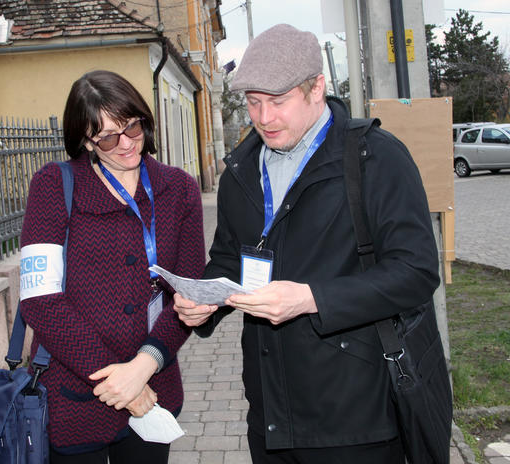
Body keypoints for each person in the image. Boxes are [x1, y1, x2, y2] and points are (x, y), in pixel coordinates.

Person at [173, 24, 440, 463]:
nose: (263, 118)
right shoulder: (241, 170)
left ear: (316, 87)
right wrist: (204, 302)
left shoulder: (375, 158)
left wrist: (311, 298)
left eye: (278, 101)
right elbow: (228, 259)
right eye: (253, 102)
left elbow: (416, 272)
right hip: (270, 416)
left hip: (355, 420)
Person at [19, 70, 205, 464]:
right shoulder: (53, 186)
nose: (125, 143)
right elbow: (40, 302)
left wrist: (144, 365)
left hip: (154, 390)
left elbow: (188, 294)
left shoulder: (180, 190)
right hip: (75, 398)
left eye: (132, 127)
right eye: (107, 137)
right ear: (85, 140)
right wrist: (119, 378)